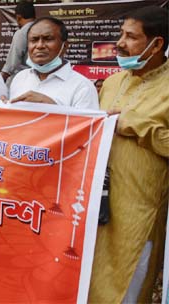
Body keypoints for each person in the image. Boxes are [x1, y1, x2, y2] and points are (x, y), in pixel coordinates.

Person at [89, 6, 168, 303]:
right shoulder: (112, 82)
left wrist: (135, 124)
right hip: (98, 206)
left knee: (127, 291)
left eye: (131, 36)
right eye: (121, 34)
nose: (120, 42)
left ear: (157, 44)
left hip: (139, 211)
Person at [8, 17, 98, 109]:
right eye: (34, 40)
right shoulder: (20, 78)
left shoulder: (82, 87)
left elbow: (87, 123)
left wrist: (53, 107)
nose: (39, 46)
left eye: (48, 39)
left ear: (65, 46)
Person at [0, 1, 35, 85]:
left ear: (18, 17)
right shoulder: (42, 29)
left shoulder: (22, 32)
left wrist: (0, 79)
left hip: (21, 81)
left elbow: (12, 64)